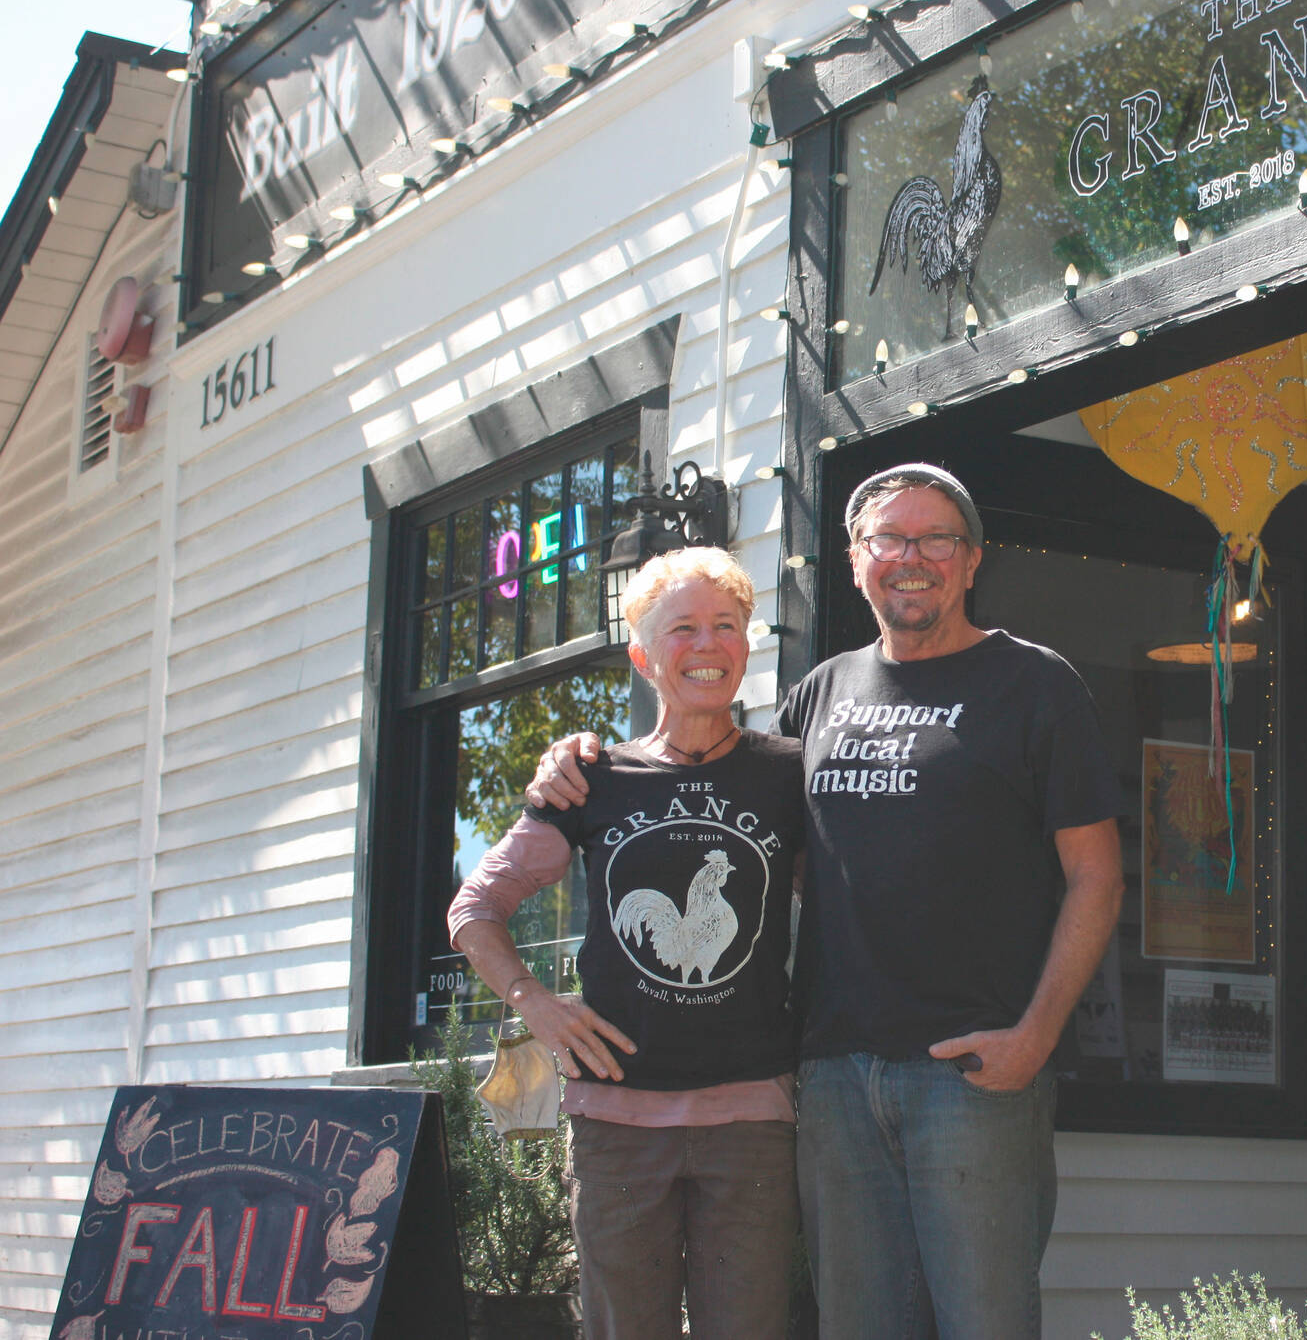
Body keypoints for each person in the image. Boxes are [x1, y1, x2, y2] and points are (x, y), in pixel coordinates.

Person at [528, 464, 1126, 1339]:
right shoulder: (823, 693)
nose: (910, 557)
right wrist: (584, 755)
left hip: (973, 1072)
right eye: (889, 539)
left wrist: (1034, 1036)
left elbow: (1098, 876)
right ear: (856, 561)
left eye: (935, 539)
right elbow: (736, 809)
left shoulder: (1035, 685)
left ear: (970, 561)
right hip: (834, 1073)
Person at [450, 547, 804, 1340]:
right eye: (682, 629)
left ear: (746, 645)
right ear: (645, 656)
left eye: (725, 626)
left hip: (749, 1117)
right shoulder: (591, 778)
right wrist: (534, 1005)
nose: (707, 645)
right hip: (615, 1121)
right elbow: (476, 906)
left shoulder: (788, 776)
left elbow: (849, 903)